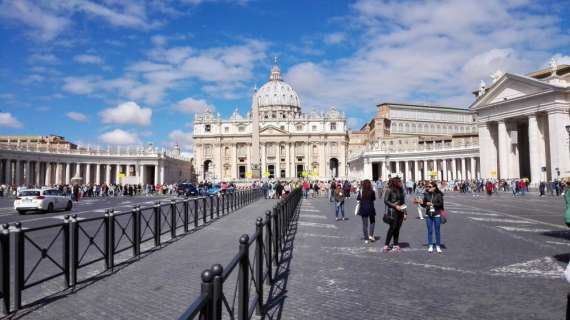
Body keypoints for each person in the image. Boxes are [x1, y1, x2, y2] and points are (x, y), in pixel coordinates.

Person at [383, 177, 407, 252]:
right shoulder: (389, 190)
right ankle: (386, 244)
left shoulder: (401, 190)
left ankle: (396, 244)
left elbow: (403, 202)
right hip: (393, 212)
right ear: (396, 182)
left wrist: (405, 212)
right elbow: (386, 201)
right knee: (392, 228)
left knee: (397, 229)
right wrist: (395, 206)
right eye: (400, 181)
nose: (401, 183)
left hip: (401, 211)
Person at [420, 182, 444, 253]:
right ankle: (430, 245)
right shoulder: (426, 194)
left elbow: (441, 204)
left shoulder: (439, 194)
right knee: (430, 231)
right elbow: (424, 205)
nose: (428, 188)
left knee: (437, 231)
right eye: (428, 186)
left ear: (434, 187)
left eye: (430, 187)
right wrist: (421, 203)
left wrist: (432, 204)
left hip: (436, 214)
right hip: (428, 214)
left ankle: (438, 246)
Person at [357, 180, 376, 244]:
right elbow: (373, 199)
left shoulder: (361, 192)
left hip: (363, 209)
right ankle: (371, 235)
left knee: (365, 224)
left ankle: (366, 239)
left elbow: (358, 199)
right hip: (371, 208)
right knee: (372, 222)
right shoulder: (372, 191)